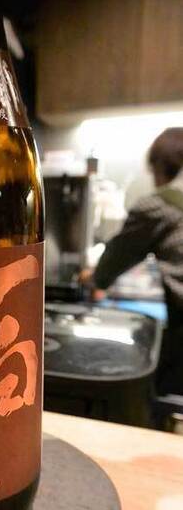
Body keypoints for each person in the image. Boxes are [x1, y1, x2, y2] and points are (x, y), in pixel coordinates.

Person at [80, 127, 183, 395]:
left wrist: (92, 278)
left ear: (160, 166)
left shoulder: (159, 206)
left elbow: (113, 261)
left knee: (160, 390)